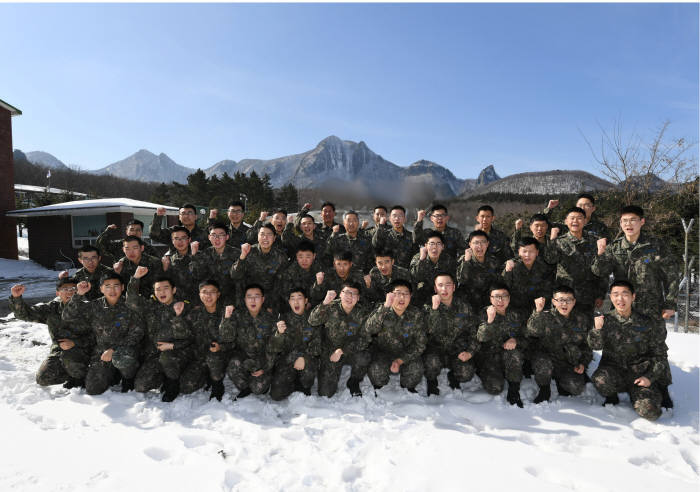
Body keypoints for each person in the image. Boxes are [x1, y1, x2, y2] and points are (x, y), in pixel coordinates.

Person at [591, 205, 679, 408]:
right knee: (616, 343)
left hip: (650, 306)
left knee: (657, 347)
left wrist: (671, 302)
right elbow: (598, 270)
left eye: (633, 220)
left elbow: (672, 274)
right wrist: (601, 252)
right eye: (624, 221)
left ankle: (662, 387)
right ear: (620, 224)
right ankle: (612, 387)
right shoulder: (615, 247)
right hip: (622, 304)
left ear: (642, 222)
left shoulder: (655, 245)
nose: (628, 224)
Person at [589, 281, 668, 421]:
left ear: (633, 297)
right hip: (614, 373)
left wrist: (650, 377)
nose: (620, 299)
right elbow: (595, 346)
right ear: (611, 297)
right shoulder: (605, 320)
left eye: (625, 294)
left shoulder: (647, 323)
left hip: (640, 376)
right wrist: (597, 330)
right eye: (615, 295)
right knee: (600, 380)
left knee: (651, 413)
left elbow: (660, 355)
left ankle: (640, 395)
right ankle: (612, 396)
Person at [61, 273, 144, 395]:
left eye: (116, 286)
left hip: (126, 351)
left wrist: (113, 349)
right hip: (101, 353)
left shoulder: (130, 305)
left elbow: (137, 333)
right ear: (101, 289)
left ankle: (128, 378)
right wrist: (79, 294)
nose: (112, 290)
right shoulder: (95, 306)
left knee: (122, 359)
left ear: (122, 287)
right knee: (93, 389)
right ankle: (113, 374)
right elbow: (67, 316)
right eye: (107, 286)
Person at [10, 278, 93, 389]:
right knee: (43, 378)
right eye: (65, 289)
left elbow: (98, 337)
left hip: (85, 351)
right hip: (59, 352)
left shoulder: (88, 309)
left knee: (72, 358)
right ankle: (71, 373)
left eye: (73, 288)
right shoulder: (51, 308)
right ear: (57, 293)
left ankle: (80, 377)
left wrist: (75, 343)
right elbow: (25, 314)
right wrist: (17, 298)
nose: (69, 292)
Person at [126, 271, 192, 402]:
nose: (162, 292)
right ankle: (164, 375)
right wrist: (135, 278)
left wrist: (173, 345)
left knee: (170, 360)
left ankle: (172, 384)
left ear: (174, 290)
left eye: (166, 288)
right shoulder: (151, 307)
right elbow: (131, 301)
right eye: (158, 289)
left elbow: (192, 337)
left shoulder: (184, 307)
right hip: (156, 354)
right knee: (141, 385)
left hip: (180, 353)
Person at [526, 286, 592, 403]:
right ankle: (545, 389)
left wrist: (583, 363)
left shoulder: (581, 319)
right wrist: (538, 311)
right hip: (546, 360)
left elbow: (586, 346)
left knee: (576, 388)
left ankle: (560, 381)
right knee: (543, 363)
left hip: (567, 363)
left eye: (569, 300)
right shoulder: (545, 316)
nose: (564, 304)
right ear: (553, 301)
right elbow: (532, 331)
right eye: (561, 300)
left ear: (574, 302)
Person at [308, 282, 371, 397]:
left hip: (351, 350)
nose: (349, 297)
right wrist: (325, 303)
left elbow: (365, 339)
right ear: (340, 294)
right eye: (346, 292)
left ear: (358, 298)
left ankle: (354, 381)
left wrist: (342, 350)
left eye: (354, 294)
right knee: (325, 393)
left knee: (364, 356)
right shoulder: (330, 307)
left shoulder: (363, 313)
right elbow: (312, 321)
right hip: (331, 351)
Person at [543, 207, 606, 320]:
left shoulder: (595, 241)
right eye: (572, 218)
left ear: (585, 221)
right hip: (564, 295)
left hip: (587, 294)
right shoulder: (559, 242)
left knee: (585, 327)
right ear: (566, 221)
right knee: (562, 327)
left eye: (579, 218)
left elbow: (602, 270)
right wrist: (552, 240)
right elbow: (550, 260)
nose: (575, 221)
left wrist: (600, 294)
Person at [365, 279, 427, 394]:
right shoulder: (381, 309)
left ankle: (407, 386)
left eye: (406, 294)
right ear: (390, 295)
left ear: (411, 296)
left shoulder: (416, 314)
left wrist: (400, 360)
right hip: (383, 353)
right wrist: (385, 307)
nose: (402, 297)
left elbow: (420, 344)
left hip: (406, 353)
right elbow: (369, 329)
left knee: (416, 369)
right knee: (376, 371)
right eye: (398, 293)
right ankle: (380, 386)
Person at [423, 273, 478, 396]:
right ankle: (431, 381)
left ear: (453, 287)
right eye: (440, 285)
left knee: (466, 373)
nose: (444, 289)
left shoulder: (464, 307)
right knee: (431, 363)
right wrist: (435, 310)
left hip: (457, 350)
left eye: (448, 285)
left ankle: (454, 375)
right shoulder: (428, 307)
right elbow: (427, 330)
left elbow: (474, 333)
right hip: (435, 350)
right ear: (435, 288)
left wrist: (470, 352)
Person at [220, 284, 277, 399]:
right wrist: (226, 318)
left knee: (258, 389)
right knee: (233, 365)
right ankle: (246, 387)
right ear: (245, 299)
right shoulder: (237, 315)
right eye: (249, 296)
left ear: (263, 299)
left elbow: (275, 347)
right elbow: (226, 338)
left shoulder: (271, 318)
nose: (253, 300)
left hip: (263, 360)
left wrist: (265, 367)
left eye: (257, 296)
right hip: (244, 358)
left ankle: (261, 379)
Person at [476, 282, 526, 407]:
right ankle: (485, 373)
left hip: (510, 358)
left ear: (509, 298)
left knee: (514, 354)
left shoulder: (517, 315)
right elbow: (480, 338)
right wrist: (490, 321)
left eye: (504, 296)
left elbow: (528, 338)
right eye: (496, 296)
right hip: (490, 359)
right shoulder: (483, 313)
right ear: (490, 299)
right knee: (495, 388)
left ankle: (514, 390)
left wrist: (516, 340)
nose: (500, 300)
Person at [177, 279, 228, 400]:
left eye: (212, 292)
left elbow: (235, 339)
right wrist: (178, 317)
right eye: (204, 292)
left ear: (218, 294)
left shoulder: (226, 313)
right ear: (199, 295)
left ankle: (217, 384)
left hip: (222, 356)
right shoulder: (194, 314)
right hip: (201, 357)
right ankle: (207, 375)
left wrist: (222, 347)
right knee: (185, 387)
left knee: (213, 355)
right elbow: (184, 335)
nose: (208, 296)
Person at [268, 287, 321, 400]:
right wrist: (279, 334)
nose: (296, 302)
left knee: (307, 373)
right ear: (289, 302)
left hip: (306, 362)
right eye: (292, 299)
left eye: (299, 298)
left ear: (306, 300)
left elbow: (317, 347)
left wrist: (303, 357)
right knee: (276, 395)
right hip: (287, 362)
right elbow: (273, 348)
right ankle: (293, 383)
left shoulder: (313, 319)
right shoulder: (282, 320)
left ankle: (304, 386)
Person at [231, 224, 289, 312]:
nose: (265, 238)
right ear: (258, 237)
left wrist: (270, 304)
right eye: (262, 234)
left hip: (270, 301)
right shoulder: (248, 251)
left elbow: (281, 283)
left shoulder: (281, 257)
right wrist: (242, 256)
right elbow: (235, 275)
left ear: (274, 238)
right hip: (248, 299)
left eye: (269, 234)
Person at [190, 222, 241, 305]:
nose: (217, 238)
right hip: (210, 299)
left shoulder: (237, 254)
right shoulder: (205, 254)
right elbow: (197, 275)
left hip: (231, 299)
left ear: (227, 237)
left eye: (221, 235)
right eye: (213, 235)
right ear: (209, 237)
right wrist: (194, 255)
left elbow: (240, 279)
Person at [501, 237, 554, 312]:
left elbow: (547, 290)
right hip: (515, 307)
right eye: (524, 251)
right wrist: (507, 271)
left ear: (537, 252)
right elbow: (504, 287)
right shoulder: (512, 266)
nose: (527, 255)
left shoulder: (544, 267)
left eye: (531, 251)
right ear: (519, 252)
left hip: (538, 307)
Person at [457, 230, 503, 313]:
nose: (480, 246)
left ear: (487, 244)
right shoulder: (464, 260)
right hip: (468, 304)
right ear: (470, 244)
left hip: (488, 304)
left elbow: (498, 283)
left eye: (483, 242)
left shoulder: (493, 261)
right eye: (476, 243)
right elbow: (461, 280)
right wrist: (466, 262)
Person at [409, 230, 457, 307]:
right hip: (422, 296)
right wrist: (422, 259)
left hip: (442, 294)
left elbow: (453, 281)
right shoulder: (418, 258)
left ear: (443, 247)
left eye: (438, 244)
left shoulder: (448, 260)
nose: (435, 247)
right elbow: (414, 277)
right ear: (426, 246)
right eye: (431, 244)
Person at [275, 240, 323, 312]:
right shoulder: (290, 272)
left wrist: (310, 303)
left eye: (308, 256)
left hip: (314, 307)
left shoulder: (319, 268)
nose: (304, 260)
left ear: (314, 256)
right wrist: (302, 304)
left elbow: (323, 292)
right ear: (296, 257)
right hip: (294, 307)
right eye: (300, 257)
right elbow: (286, 294)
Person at [543, 194, 611, 241]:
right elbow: (542, 225)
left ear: (593, 208)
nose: (582, 208)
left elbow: (608, 247)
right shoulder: (567, 225)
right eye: (580, 205)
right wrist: (549, 209)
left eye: (586, 205)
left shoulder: (600, 227)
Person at [162, 226, 197, 303]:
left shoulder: (199, 255)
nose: (180, 241)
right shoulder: (168, 259)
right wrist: (164, 269)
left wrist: (195, 257)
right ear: (172, 241)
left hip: (196, 302)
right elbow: (164, 283)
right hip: (175, 302)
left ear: (189, 240)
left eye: (183, 238)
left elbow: (201, 277)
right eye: (176, 239)